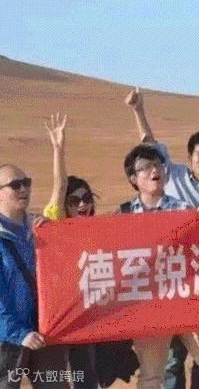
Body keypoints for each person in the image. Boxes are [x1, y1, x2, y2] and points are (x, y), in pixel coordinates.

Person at [124, 87, 199, 387]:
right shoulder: (125, 214)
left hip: (191, 292)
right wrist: (138, 110)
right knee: (163, 368)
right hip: (152, 300)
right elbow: (149, 146)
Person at [42, 114, 100, 388]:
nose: (82, 205)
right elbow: (60, 185)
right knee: (54, 378)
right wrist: (58, 149)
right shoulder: (55, 223)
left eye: (87, 199)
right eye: (75, 201)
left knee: (86, 375)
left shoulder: (100, 230)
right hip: (57, 314)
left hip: (86, 316)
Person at [0, 164, 69, 388]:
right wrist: (18, 334)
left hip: (44, 332)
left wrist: (53, 236)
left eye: (26, 183)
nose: (23, 189)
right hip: (8, 339)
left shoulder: (39, 228)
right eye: (15, 185)